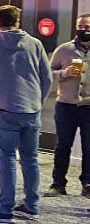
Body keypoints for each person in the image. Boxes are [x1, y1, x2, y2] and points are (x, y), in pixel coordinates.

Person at [0, 4, 53, 220]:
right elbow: (47, 77)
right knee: (30, 158)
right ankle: (31, 204)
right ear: (18, 21)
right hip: (31, 110)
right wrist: (38, 101)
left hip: (4, 109)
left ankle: (5, 208)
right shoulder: (35, 44)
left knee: (6, 159)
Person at [45, 13, 90, 197]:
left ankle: (87, 183)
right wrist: (64, 73)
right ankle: (58, 184)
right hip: (66, 105)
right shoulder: (64, 49)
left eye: (87, 27)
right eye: (80, 27)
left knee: (89, 147)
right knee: (63, 145)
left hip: (88, 106)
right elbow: (47, 73)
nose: (84, 30)